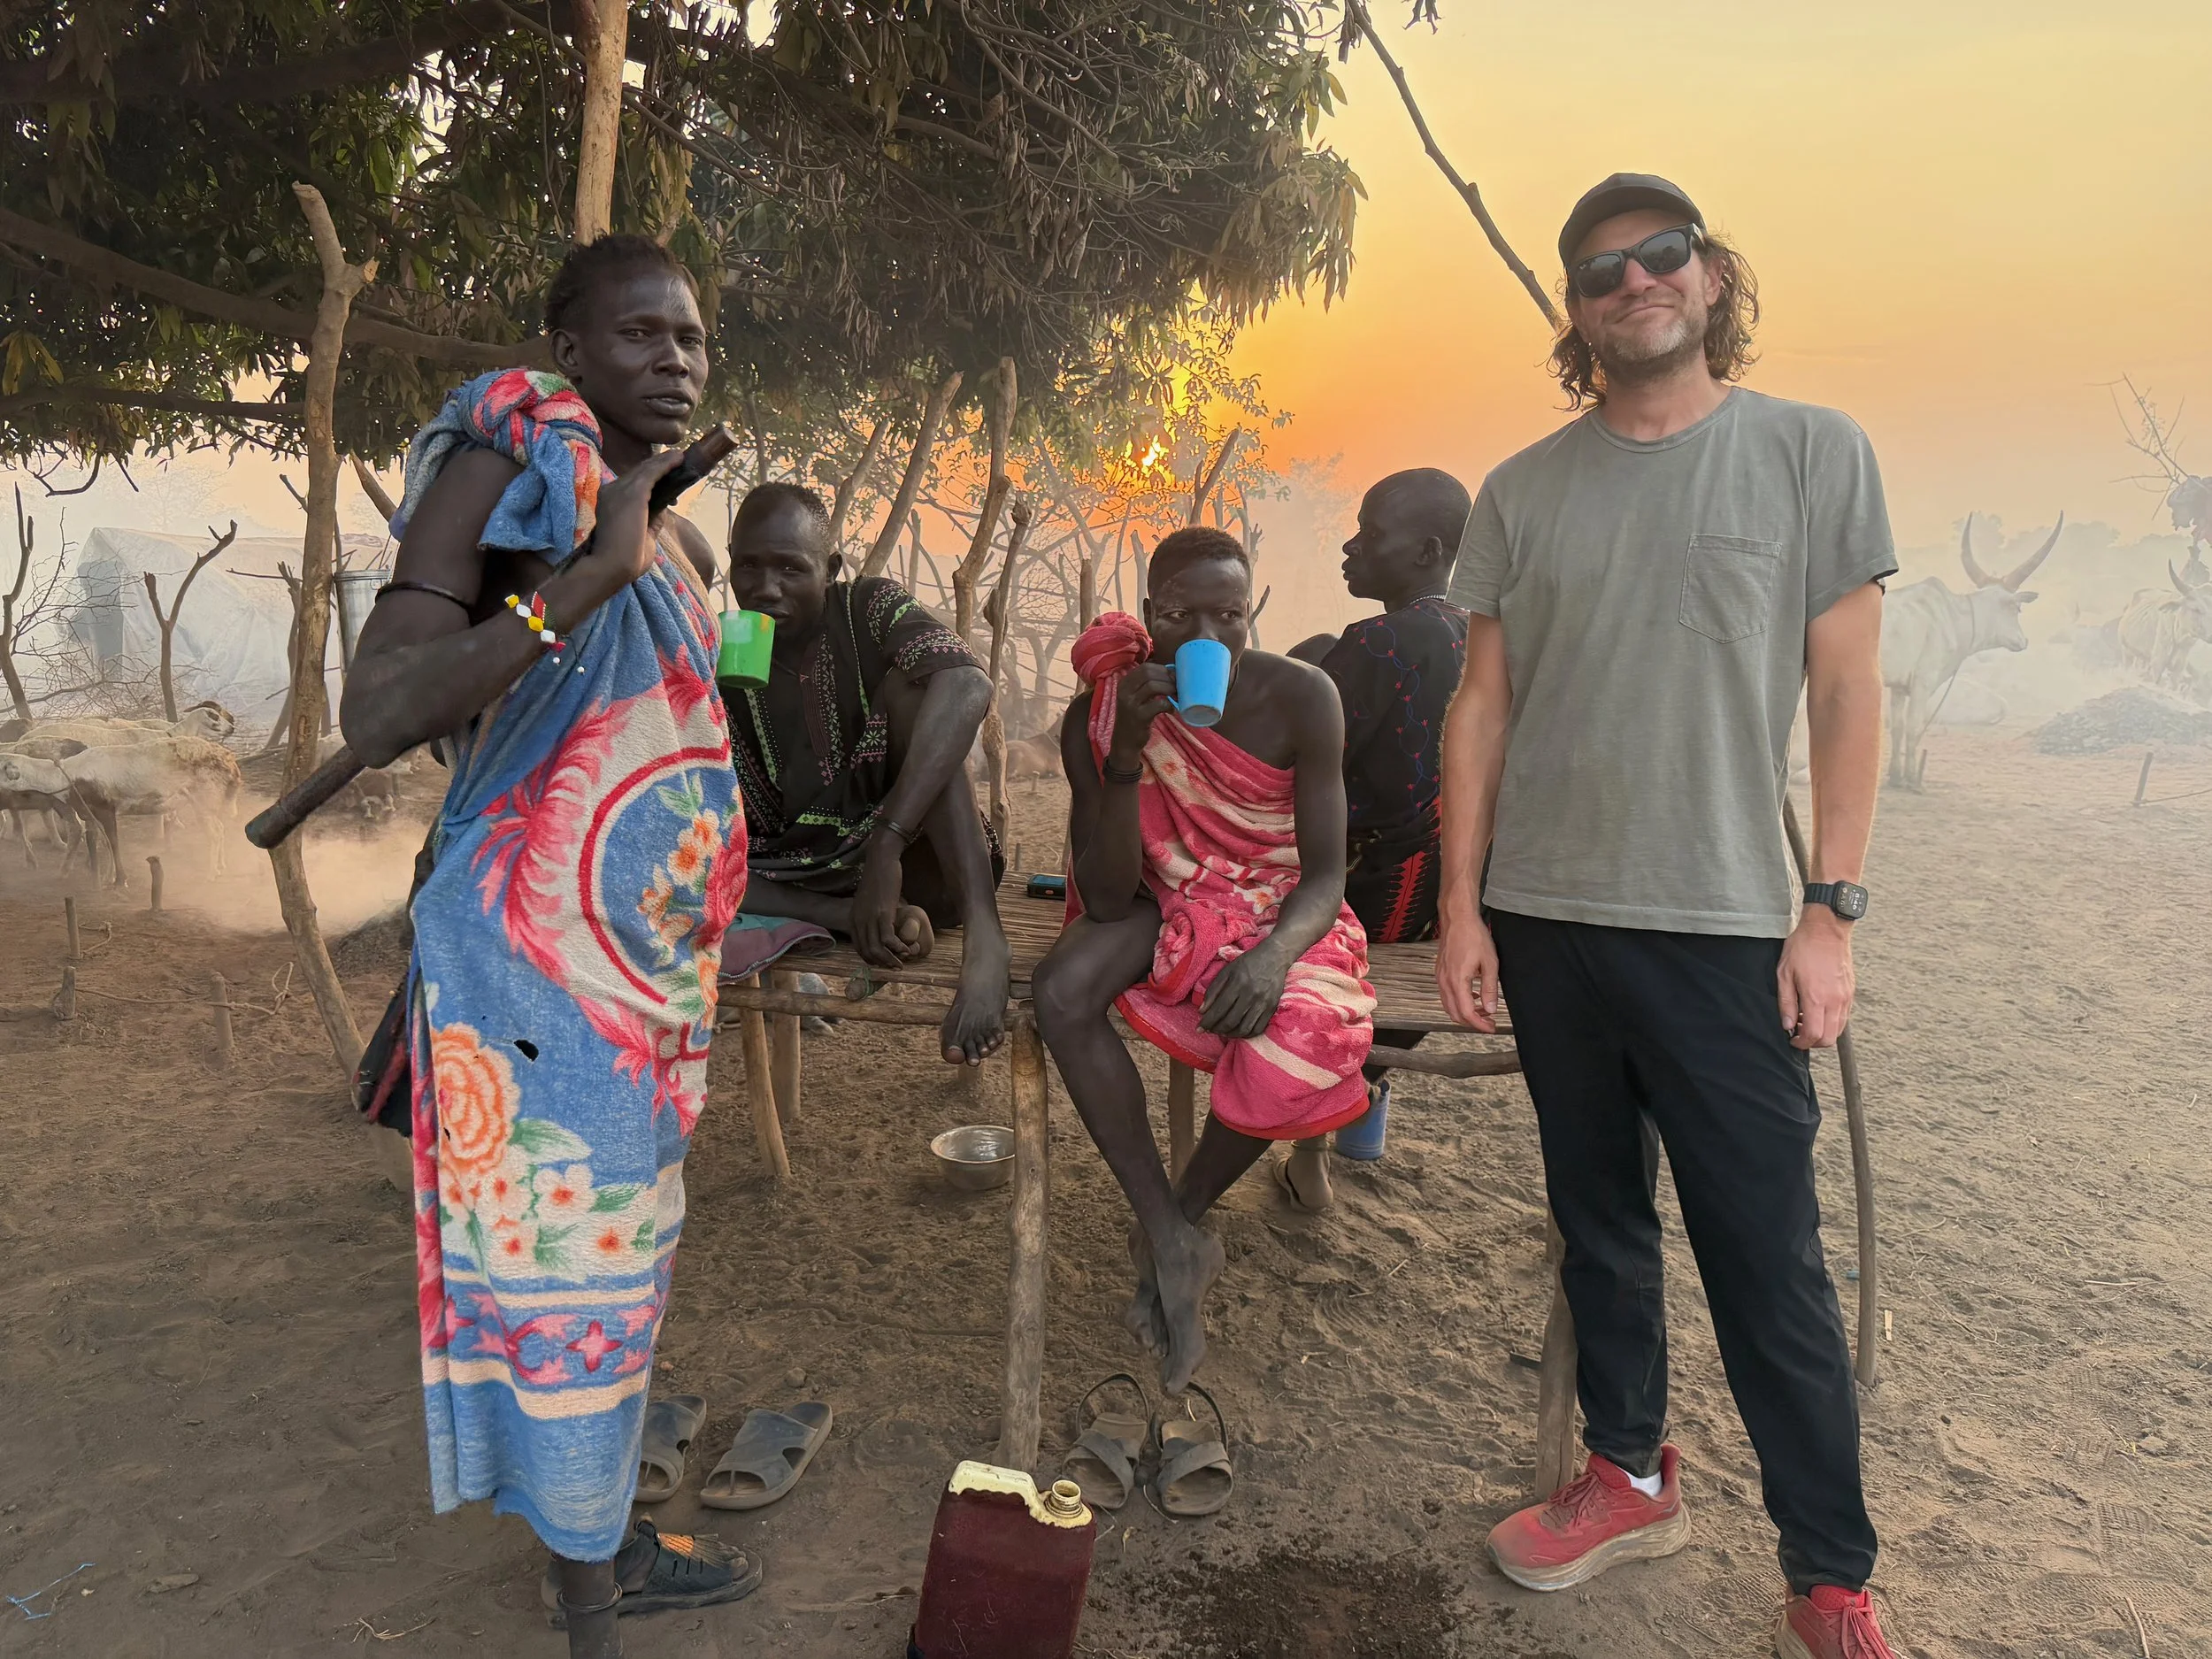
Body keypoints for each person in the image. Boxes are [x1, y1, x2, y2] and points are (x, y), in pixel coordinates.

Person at [1434, 174, 1899, 1659]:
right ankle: (1630, 1474)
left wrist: (1828, 909)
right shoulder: (1522, 490)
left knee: (1767, 1256)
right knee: (1598, 1223)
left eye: (1661, 255)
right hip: (1548, 915)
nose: (1633, 280)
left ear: (1708, 279)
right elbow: (1483, 705)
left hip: (1719, 926)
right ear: (1575, 314)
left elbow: (1844, 693)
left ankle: (1829, 1576)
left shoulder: (1812, 456)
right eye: (1600, 271)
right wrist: (1461, 902)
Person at [342, 235, 757, 1657]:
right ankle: (593, 1597)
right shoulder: (511, 471)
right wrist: (581, 580)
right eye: (639, 333)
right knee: (562, 1281)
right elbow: (379, 706)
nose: (675, 358)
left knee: (615, 1271)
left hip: (639, 979)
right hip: (534, 977)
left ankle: (608, 1537)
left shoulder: (653, 513)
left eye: (691, 336)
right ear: (567, 349)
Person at [1032, 527, 1375, 1393]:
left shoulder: (1306, 699)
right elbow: (1109, 897)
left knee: (1292, 1033)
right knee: (1063, 989)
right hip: (1167, 895)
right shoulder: (1102, 713)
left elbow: (1326, 874)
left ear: (1252, 610)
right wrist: (1121, 758)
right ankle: (1168, 1229)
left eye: (1229, 615)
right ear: (1151, 615)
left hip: (1275, 902)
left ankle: (1181, 1219)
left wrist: (1271, 959)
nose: (1207, 639)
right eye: (1183, 615)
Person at [722, 483, 1010, 1064]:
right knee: (695, 864)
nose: (764, 587)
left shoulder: (867, 608)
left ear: (830, 569)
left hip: (919, 862)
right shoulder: (731, 647)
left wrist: (886, 849)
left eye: (789, 567)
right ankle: (849, 919)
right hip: (795, 875)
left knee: (919, 689)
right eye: (747, 565)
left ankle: (986, 936)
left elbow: (968, 683)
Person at [1280, 468, 1472, 1209]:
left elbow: (1291, 756)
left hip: (1368, 905)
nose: (1351, 545)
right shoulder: (1476, 630)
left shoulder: (1385, 642)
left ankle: (1304, 1127)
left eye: (1372, 533)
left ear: (1426, 550)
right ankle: (1323, 1143)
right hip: (1448, 899)